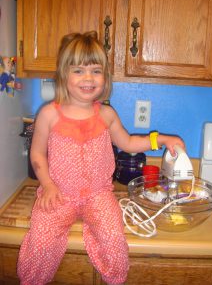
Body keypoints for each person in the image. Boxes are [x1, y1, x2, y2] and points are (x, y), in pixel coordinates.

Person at [17, 31, 185, 285]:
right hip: (58, 193)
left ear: (104, 78)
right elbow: (38, 152)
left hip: (98, 194)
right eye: (78, 70)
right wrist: (48, 185)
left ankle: (114, 279)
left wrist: (160, 139)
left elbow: (128, 142)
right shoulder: (49, 114)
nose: (88, 78)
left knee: (114, 238)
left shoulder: (106, 114)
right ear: (64, 74)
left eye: (96, 70)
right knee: (40, 238)